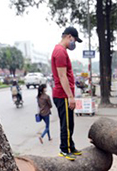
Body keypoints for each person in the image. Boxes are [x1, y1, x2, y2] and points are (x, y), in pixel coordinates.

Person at [51, 26, 83, 160]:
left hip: (64, 94)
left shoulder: (62, 51)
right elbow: (62, 76)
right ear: (69, 37)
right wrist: (70, 97)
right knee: (66, 124)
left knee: (70, 123)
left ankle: (70, 146)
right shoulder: (60, 52)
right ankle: (64, 149)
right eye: (74, 40)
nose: (74, 43)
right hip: (62, 95)